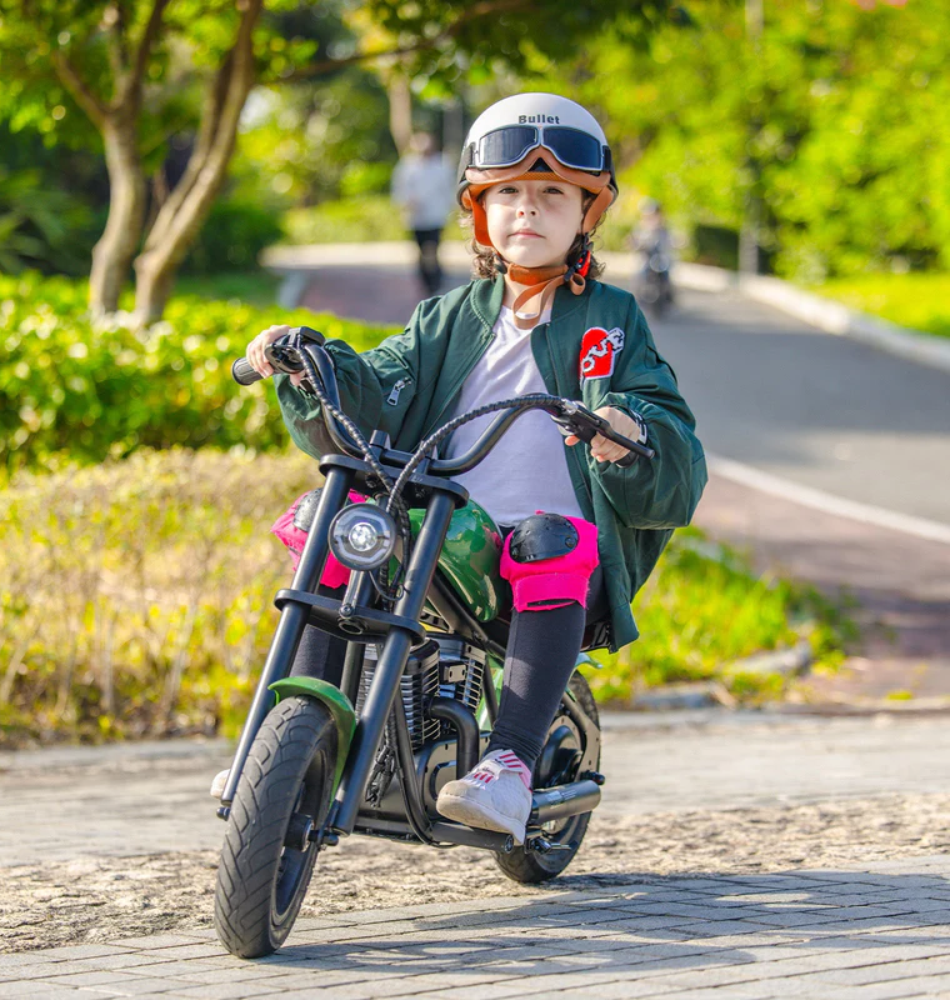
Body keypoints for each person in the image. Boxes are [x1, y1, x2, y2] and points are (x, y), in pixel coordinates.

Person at [234, 93, 707, 843]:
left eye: (553, 194)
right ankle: (294, 728)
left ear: (588, 214)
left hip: (551, 552)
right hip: (450, 534)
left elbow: (662, 422)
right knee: (332, 519)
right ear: (479, 211)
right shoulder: (447, 316)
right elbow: (381, 383)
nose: (529, 208)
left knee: (549, 538)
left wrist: (627, 428)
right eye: (508, 192)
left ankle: (510, 764)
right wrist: (311, 362)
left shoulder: (611, 318)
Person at [391, 132, 457, 296]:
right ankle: (426, 280)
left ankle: (435, 281)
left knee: (432, 249)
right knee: (422, 251)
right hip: (416, 218)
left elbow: (449, 189)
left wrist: (453, 208)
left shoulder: (442, 165)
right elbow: (400, 190)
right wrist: (407, 202)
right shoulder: (407, 166)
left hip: (436, 216)